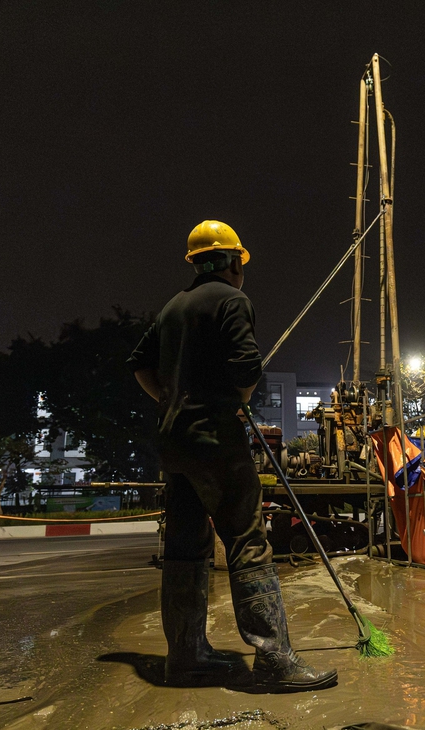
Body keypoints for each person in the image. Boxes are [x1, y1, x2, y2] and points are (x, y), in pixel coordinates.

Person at [127, 220, 337, 693]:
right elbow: (246, 366)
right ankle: (274, 659)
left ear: (196, 263)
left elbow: (138, 364)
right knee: (247, 539)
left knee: (184, 547)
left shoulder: (172, 307)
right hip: (215, 439)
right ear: (234, 262)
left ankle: (185, 656)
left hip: (174, 442)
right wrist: (233, 402)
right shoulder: (232, 301)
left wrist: (168, 398)